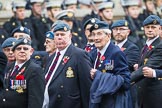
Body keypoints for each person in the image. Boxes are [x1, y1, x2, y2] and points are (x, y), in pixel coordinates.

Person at [42, 21, 92, 108]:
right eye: (57, 35)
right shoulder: (51, 57)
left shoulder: (79, 55)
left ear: (70, 36)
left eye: (62, 34)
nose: (59, 37)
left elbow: (86, 87)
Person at [89, 20, 132, 108]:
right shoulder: (92, 53)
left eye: (99, 34)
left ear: (108, 36)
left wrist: (99, 76)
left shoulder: (116, 53)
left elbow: (126, 81)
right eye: (94, 34)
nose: (96, 38)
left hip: (112, 102)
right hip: (96, 101)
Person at [0, 38, 45, 108]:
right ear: (14, 52)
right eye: (18, 49)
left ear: (31, 51)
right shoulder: (9, 67)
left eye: (25, 49)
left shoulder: (35, 70)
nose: (22, 51)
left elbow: (36, 100)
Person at [131, 15, 162, 108]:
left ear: (160, 29)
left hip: (154, 95)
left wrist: (125, 80)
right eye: (147, 27)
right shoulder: (146, 45)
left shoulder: (159, 46)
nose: (150, 30)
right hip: (143, 92)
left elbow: (145, 68)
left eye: (153, 27)